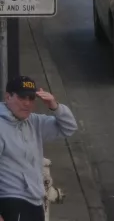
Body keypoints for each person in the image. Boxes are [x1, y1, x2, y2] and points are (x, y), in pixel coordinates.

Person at [0, 76, 78, 221]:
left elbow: (69, 128)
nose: (27, 103)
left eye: (31, 98)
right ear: (8, 96)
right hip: (10, 201)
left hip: (35, 201)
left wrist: (54, 106)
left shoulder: (34, 121)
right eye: (22, 98)